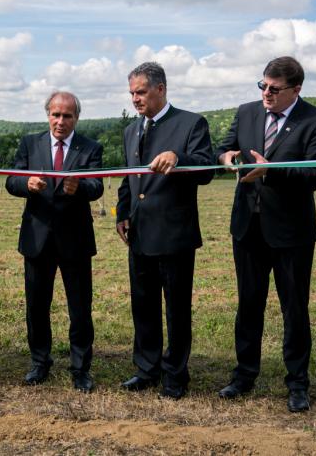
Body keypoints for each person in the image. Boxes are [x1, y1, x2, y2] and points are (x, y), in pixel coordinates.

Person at [215, 56, 316, 412]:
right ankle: (243, 376)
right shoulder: (247, 111)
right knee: (248, 305)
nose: (266, 93)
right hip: (247, 226)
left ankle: (297, 384)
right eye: (262, 85)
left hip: (291, 233)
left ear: (296, 90)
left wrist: (272, 171)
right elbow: (224, 146)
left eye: (274, 89)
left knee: (294, 309)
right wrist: (227, 157)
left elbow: (314, 177)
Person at [116, 62, 214, 399]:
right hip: (139, 233)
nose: (135, 99)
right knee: (142, 306)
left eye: (141, 92)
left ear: (161, 89)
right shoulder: (131, 130)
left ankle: (175, 375)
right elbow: (129, 177)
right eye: (132, 93)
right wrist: (122, 212)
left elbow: (206, 170)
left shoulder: (191, 124)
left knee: (176, 309)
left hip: (174, 235)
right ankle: (146, 369)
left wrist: (179, 156)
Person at [5, 91, 104, 392]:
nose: (61, 121)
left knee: (80, 308)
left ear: (76, 118)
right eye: (55, 114)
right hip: (37, 238)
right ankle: (39, 362)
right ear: (47, 114)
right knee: (37, 305)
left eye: (68, 116)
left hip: (75, 238)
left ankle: (80, 368)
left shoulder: (91, 147)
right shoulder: (29, 143)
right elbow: (11, 180)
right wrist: (27, 184)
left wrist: (81, 187)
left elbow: (97, 185)